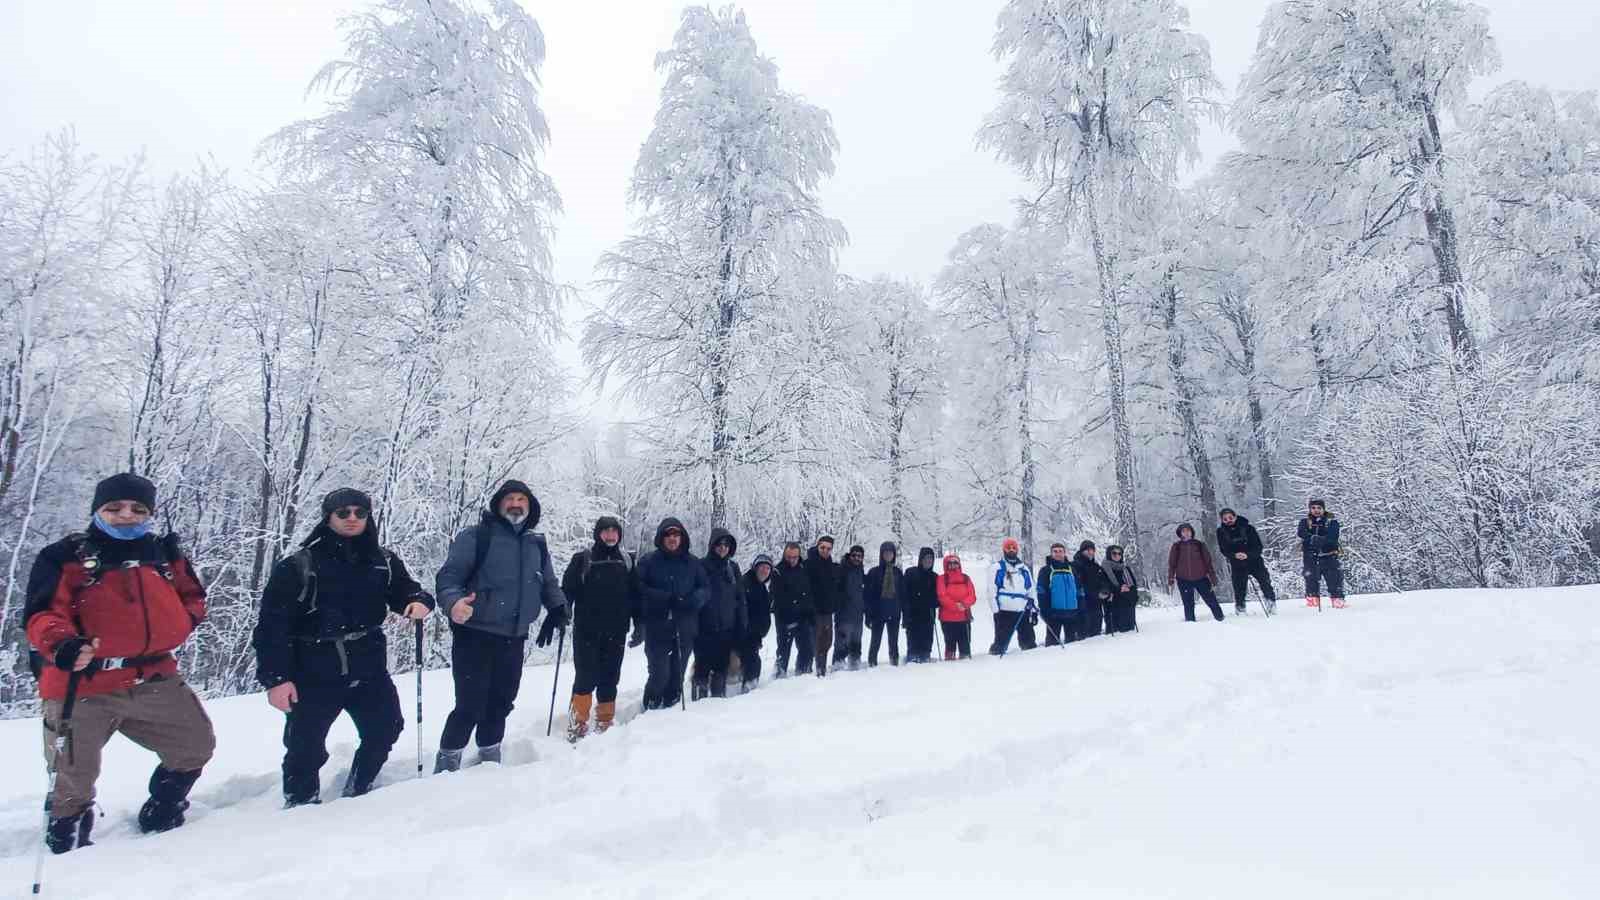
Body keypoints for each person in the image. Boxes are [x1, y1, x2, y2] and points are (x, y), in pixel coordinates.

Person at [25, 473, 215, 852]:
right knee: (72, 778)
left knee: (195, 745)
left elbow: (193, 596)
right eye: (115, 507)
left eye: (138, 509)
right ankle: (68, 842)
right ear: (98, 510)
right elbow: (41, 613)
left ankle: (164, 807)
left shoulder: (164, 553)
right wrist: (62, 643)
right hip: (82, 683)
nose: (127, 515)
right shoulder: (64, 556)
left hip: (154, 676)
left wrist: (182, 622)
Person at [254, 488, 433, 805]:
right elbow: (272, 627)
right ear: (328, 517)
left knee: (386, 728)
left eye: (360, 513)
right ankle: (300, 803)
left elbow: (406, 591)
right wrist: (276, 679)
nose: (352, 518)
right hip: (313, 669)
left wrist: (418, 601)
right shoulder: (298, 566)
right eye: (343, 513)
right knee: (304, 746)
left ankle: (359, 789)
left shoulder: (383, 561)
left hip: (368, 665)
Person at [433, 480, 568, 771]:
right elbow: (449, 578)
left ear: (530, 507)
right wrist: (453, 603)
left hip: (514, 637)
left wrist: (557, 607)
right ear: (498, 504)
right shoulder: (476, 536)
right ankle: (447, 761)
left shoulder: (536, 543)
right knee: (470, 705)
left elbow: (547, 581)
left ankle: (489, 753)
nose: (515, 504)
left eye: (522, 499)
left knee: (502, 701)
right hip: (475, 634)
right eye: (510, 499)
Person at [559, 516, 636, 741]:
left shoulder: (626, 561)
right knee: (585, 677)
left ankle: (605, 720)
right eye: (606, 531)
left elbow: (636, 595)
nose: (610, 535)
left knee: (610, 677)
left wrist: (640, 623)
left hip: (617, 631)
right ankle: (577, 722)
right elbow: (568, 590)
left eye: (614, 531)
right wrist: (563, 611)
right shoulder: (583, 559)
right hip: (587, 632)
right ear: (598, 534)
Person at [634, 518, 710, 709]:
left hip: (685, 627)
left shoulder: (693, 562)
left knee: (677, 675)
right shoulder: (649, 561)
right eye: (668, 534)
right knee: (659, 674)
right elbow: (637, 587)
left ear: (682, 537)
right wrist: (664, 598)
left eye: (676, 534)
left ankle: (671, 708)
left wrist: (691, 601)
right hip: (657, 627)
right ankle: (651, 706)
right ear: (661, 537)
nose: (672, 538)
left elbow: (705, 589)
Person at [693, 528, 746, 699]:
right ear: (712, 545)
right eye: (719, 544)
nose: (723, 548)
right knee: (701, 670)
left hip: (726, 629)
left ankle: (718, 702)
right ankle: (698, 703)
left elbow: (740, 598)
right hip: (703, 629)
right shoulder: (700, 566)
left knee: (721, 669)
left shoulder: (733, 568)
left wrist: (741, 624)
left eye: (726, 545)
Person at [1217, 507, 1276, 614]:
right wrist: (1234, 555)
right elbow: (1224, 549)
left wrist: (1247, 555)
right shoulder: (1221, 532)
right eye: (1225, 519)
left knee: (1265, 582)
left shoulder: (1248, 528)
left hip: (1255, 561)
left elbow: (1258, 547)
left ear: (1235, 517)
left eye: (1230, 517)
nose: (1228, 520)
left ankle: (1270, 602)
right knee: (1239, 587)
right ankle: (1240, 607)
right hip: (1237, 563)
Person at [770, 542, 816, 676]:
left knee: (807, 649)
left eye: (794, 557)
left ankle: (803, 673)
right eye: (789, 557)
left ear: (799, 556)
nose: (791, 560)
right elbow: (776, 596)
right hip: (784, 617)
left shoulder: (804, 568)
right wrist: (784, 615)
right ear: (784, 555)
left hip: (803, 615)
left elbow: (809, 592)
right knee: (783, 650)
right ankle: (779, 675)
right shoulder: (777, 571)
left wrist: (810, 612)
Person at [1167, 523, 1224, 622]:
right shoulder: (1177, 546)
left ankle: (1220, 618)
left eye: (1188, 530)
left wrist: (1213, 578)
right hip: (1183, 579)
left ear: (1192, 532)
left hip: (1201, 578)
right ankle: (1190, 623)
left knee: (1211, 600)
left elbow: (1208, 562)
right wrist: (1171, 578)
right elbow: (1172, 564)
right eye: (1183, 531)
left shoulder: (1199, 545)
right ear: (1180, 533)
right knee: (1188, 604)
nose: (1186, 533)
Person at [989, 538, 1036, 655]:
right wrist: (996, 610)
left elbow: (1030, 588)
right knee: (1001, 643)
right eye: (1008, 548)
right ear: (1004, 550)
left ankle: (1031, 659)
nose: (1011, 550)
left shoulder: (1023, 568)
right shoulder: (997, 568)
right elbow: (991, 590)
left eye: (1014, 548)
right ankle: (995, 659)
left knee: (1029, 642)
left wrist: (1034, 608)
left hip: (1022, 609)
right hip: (1004, 610)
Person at [805, 536, 843, 677]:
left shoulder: (831, 565)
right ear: (817, 546)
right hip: (813, 610)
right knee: (815, 642)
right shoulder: (808, 564)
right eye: (822, 547)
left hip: (827, 610)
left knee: (827, 641)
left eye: (828, 548)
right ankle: (813, 671)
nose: (825, 551)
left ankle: (822, 669)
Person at [1298, 499, 1346, 609]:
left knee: (1334, 579)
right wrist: (1312, 538)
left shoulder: (1331, 522)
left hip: (1329, 555)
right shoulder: (1304, 522)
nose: (1316, 510)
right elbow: (1301, 533)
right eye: (1313, 508)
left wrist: (1321, 541)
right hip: (1310, 556)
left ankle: (1338, 601)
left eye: (1319, 508)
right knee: (1310, 579)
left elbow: (1333, 537)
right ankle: (1312, 602)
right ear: (1310, 509)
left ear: (1323, 509)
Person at [862, 542, 904, 666]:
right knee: (875, 640)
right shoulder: (874, 572)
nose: (888, 555)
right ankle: (872, 662)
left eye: (890, 553)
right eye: (885, 553)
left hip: (894, 611)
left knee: (894, 641)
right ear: (881, 554)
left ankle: (894, 662)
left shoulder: (897, 572)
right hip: (878, 612)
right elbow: (868, 595)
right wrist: (868, 615)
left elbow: (903, 594)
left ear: (894, 555)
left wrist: (904, 612)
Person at [739, 554, 774, 689]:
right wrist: (748, 631)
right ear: (755, 567)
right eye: (762, 567)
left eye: (767, 568)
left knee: (753, 662)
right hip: (744, 634)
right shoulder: (745, 583)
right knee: (752, 662)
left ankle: (749, 686)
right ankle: (748, 689)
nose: (764, 571)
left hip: (754, 635)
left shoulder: (761, 587)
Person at [1036, 542, 1080, 646]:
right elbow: (1041, 591)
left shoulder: (1072, 569)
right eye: (1055, 551)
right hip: (1054, 613)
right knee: (1052, 644)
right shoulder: (1046, 570)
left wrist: (1080, 607)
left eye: (1060, 551)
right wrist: (1044, 609)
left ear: (1064, 553)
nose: (1058, 554)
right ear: (1051, 553)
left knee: (1072, 644)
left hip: (1071, 612)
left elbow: (1078, 589)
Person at [935, 554, 977, 659]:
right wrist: (956, 606)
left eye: (955, 563)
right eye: (950, 563)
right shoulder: (942, 579)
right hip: (947, 618)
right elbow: (942, 596)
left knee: (965, 645)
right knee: (950, 645)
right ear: (946, 565)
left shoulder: (966, 578)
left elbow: (972, 596)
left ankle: (966, 662)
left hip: (964, 617)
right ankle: (950, 663)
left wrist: (964, 604)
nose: (953, 565)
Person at [903, 548, 940, 663]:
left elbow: (939, 595)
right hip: (912, 613)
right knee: (913, 637)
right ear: (921, 559)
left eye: (931, 558)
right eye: (926, 558)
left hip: (928, 613)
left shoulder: (935, 576)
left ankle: (925, 655)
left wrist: (934, 601)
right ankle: (912, 657)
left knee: (927, 637)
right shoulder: (910, 572)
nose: (928, 561)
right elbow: (904, 592)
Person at [833, 545, 866, 671]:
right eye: (854, 555)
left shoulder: (860, 570)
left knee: (856, 642)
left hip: (857, 613)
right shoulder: (842, 569)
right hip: (844, 614)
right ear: (849, 556)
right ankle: (838, 667)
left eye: (859, 556)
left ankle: (855, 666)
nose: (856, 558)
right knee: (841, 643)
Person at [1071, 541, 1113, 638]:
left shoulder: (1096, 566)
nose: (1090, 552)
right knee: (1084, 638)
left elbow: (1104, 581)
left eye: (1092, 550)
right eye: (1088, 550)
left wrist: (1105, 591)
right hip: (1082, 606)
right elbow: (1078, 586)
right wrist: (1096, 594)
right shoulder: (1075, 566)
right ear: (1082, 551)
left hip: (1097, 606)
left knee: (1096, 636)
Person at [1103, 545, 1139, 632]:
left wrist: (1129, 591)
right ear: (1109, 554)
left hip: (1127, 609)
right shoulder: (1104, 569)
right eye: (1114, 553)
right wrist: (1119, 589)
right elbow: (1104, 587)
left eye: (1119, 554)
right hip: (1113, 610)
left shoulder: (1126, 569)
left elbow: (1134, 587)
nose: (1117, 556)